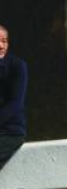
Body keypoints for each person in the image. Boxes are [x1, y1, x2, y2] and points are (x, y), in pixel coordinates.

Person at [0, 24, 28, 171]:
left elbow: (16, 104)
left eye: (4, 41)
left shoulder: (17, 66)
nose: (1, 45)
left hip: (11, 132)